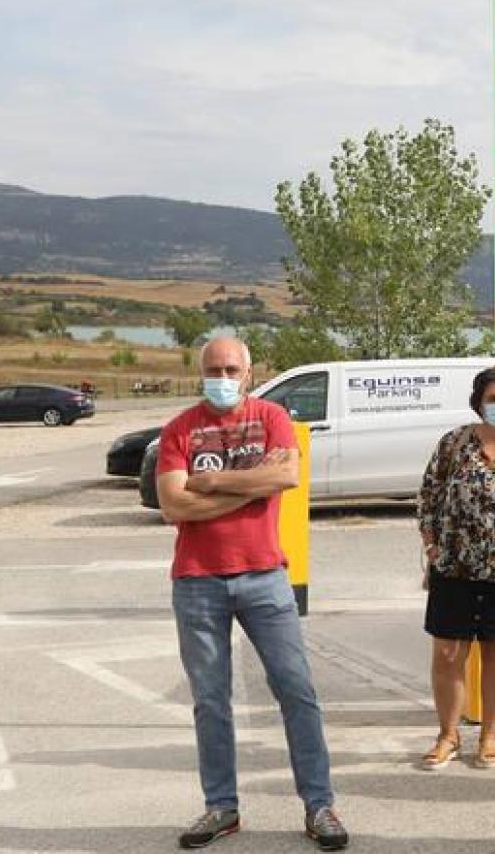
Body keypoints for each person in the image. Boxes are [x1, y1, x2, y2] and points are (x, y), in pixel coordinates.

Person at [154, 336, 347, 851]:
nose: (222, 378)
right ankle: (221, 806)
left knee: (296, 690)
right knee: (210, 700)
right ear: (200, 372)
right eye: (213, 369)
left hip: (264, 577)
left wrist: (210, 482)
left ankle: (319, 804)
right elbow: (173, 505)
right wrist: (251, 487)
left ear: (249, 372)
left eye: (231, 369)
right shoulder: (180, 429)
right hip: (197, 580)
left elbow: (287, 474)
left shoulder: (271, 417)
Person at [416, 364, 495, 769]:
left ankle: (489, 734)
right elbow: (428, 496)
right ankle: (447, 735)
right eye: (492, 398)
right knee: (448, 652)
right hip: (455, 567)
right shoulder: (454, 443)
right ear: (478, 403)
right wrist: (432, 546)